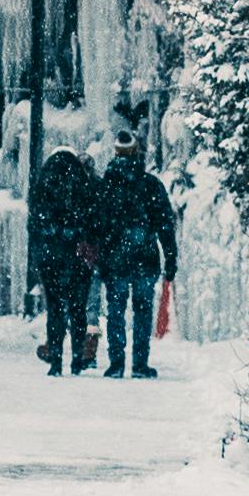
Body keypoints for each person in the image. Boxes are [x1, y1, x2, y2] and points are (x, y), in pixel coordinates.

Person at [90, 115, 178, 384]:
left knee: (115, 311)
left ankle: (117, 362)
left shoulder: (106, 186)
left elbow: (96, 225)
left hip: (115, 260)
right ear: (137, 152)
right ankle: (140, 363)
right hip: (144, 258)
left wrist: (98, 257)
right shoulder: (150, 185)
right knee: (142, 311)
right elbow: (165, 224)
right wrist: (170, 257)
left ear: (116, 152)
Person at [30, 135, 98, 373]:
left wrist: (41, 252)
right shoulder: (81, 182)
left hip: (51, 255)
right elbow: (92, 218)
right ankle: (77, 360)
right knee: (78, 308)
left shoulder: (43, 183)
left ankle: (56, 361)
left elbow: (34, 224)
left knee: (55, 308)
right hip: (77, 255)